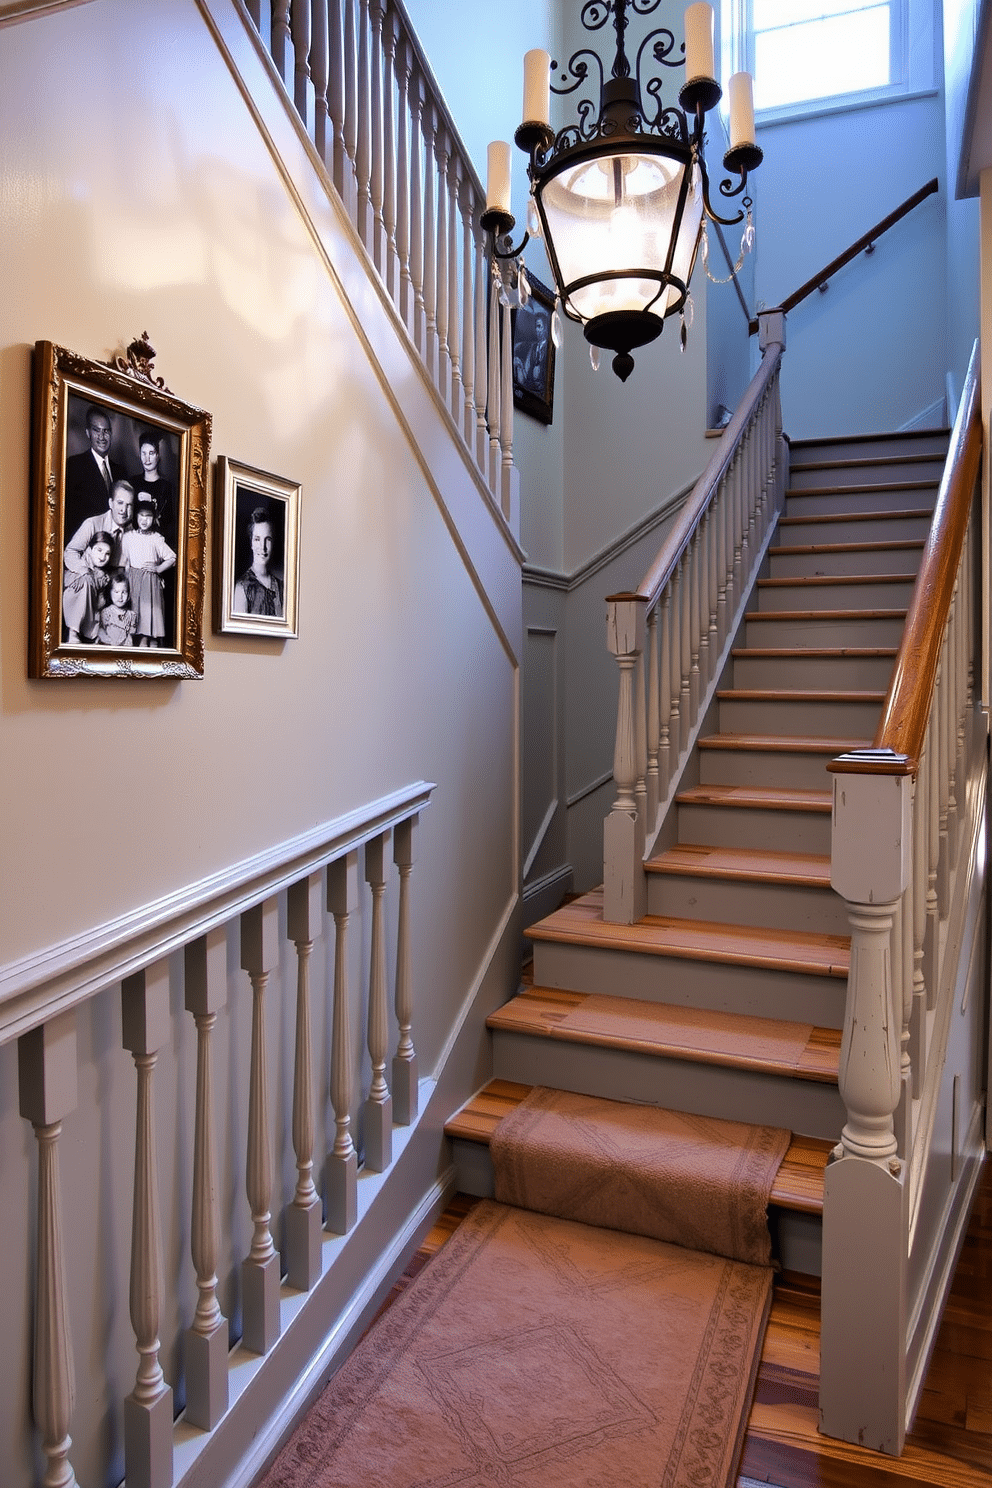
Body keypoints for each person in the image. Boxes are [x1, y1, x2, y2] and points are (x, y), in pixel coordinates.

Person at [120, 500, 176, 647]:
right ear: (136, 516)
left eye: (149, 516)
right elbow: (125, 561)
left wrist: (158, 569)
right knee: (135, 612)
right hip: (133, 579)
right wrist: (126, 579)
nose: (144, 520)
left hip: (150, 581)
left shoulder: (156, 539)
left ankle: (150, 640)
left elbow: (172, 558)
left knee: (149, 613)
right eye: (141, 515)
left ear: (154, 518)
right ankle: (141, 640)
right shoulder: (129, 537)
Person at [64, 406, 121, 539]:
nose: (102, 437)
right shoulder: (73, 466)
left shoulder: (121, 471)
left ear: (111, 434)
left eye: (106, 431)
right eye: (97, 430)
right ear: (88, 433)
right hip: (87, 548)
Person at [64, 479, 135, 573]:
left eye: (129, 505)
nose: (124, 510)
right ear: (111, 503)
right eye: (120, 503)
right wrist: (86, 572)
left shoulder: (133, 532)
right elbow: (70, 552)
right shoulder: (92, 523)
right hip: (91, 579)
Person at [63, 531, 114, 643]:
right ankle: (73, 633)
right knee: (85, 584)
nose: (102, 557)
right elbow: (67, 582)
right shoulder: (80, 564)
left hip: (91, 610)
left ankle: (96, 635)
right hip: (72, 602)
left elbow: (100, 602)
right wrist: (81, 576)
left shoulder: (103, 575)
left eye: (107, 553)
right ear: (90, 550)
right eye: (99, 550)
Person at [233, 505, 284, 617]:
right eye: (257, 539)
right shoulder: (242, 588)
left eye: (268, 539)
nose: (263, 547)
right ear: (251, 543)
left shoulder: (281, 586)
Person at [132, 429, 175, 542]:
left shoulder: (167, 487)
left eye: (151, 453)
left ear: (158, 455)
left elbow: (170, 524)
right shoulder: (132, 483)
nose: (147, 459)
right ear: (139, 454)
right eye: (144, 453)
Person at [97, 570, 138, 647]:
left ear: (129, 594)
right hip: (109, 647)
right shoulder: (106, 612)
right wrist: (108, 641)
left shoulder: (131, 615)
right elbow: (100, 631)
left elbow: (131, 634)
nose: (120, 596)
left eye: (124, 592)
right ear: (110, 592)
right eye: (116, 592)